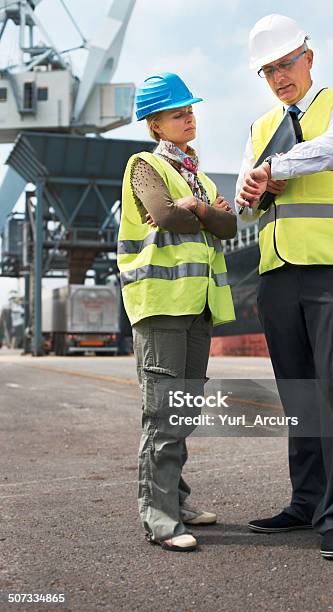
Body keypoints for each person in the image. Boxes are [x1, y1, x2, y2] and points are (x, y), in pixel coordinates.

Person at [236, 14, 333, 560]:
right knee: (299, 397)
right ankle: (306, 501)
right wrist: (250, 186)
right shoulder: (261, 125)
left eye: (285, 65)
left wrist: (274, 168)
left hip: (332, 271)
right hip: (277, 277)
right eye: (268, 71)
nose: (278, 78)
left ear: (308, 58)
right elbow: (249, 186)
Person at [117, 72, 236, 552]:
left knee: (183, 411)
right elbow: (164, 215)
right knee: (162, 413)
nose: (189, 118)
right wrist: (201, 210)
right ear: (156, 125)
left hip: (198, 305)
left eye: (189, 110)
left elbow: (228, 225)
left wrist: (201, 208)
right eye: (177, 113)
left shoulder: (198, 177)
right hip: (161, 304)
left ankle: (176, 499)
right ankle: (159, 517)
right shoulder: (143, 165)